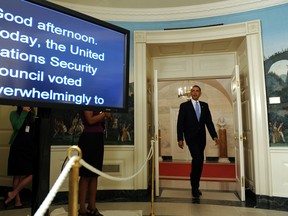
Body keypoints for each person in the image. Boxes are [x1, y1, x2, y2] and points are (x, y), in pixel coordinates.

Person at [177, 85, 219, 198]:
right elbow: (180, 123)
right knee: (198, 158)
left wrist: (214, 135)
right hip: (190, 138)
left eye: (197, 91)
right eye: (193, 91)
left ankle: (195, 184)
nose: (195, 93)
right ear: (190, 93)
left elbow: (208, 122)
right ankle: (194, 186)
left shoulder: (204, 106)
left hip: (202, 138)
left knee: (199, 161)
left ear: (200, 93)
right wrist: (180, 138)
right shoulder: (184, 106)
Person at [78, 110, 111, 216]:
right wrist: (104, 114)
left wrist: (107, 116)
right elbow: (90, 120)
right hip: (88, 138)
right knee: (85, 175)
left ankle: (92, 206)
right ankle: (82, 209)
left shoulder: (99, 103)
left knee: (95, 174)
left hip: (98, 138)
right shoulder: (88, 101)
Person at [4, 106, 35, 208]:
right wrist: (24, 113)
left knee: (33, 173)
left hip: (29, 148)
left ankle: (12, 193)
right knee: (17, 174)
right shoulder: (14, 114)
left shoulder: (33, 115)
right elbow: (17, 126)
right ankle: (17, 201)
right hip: (17, 147)